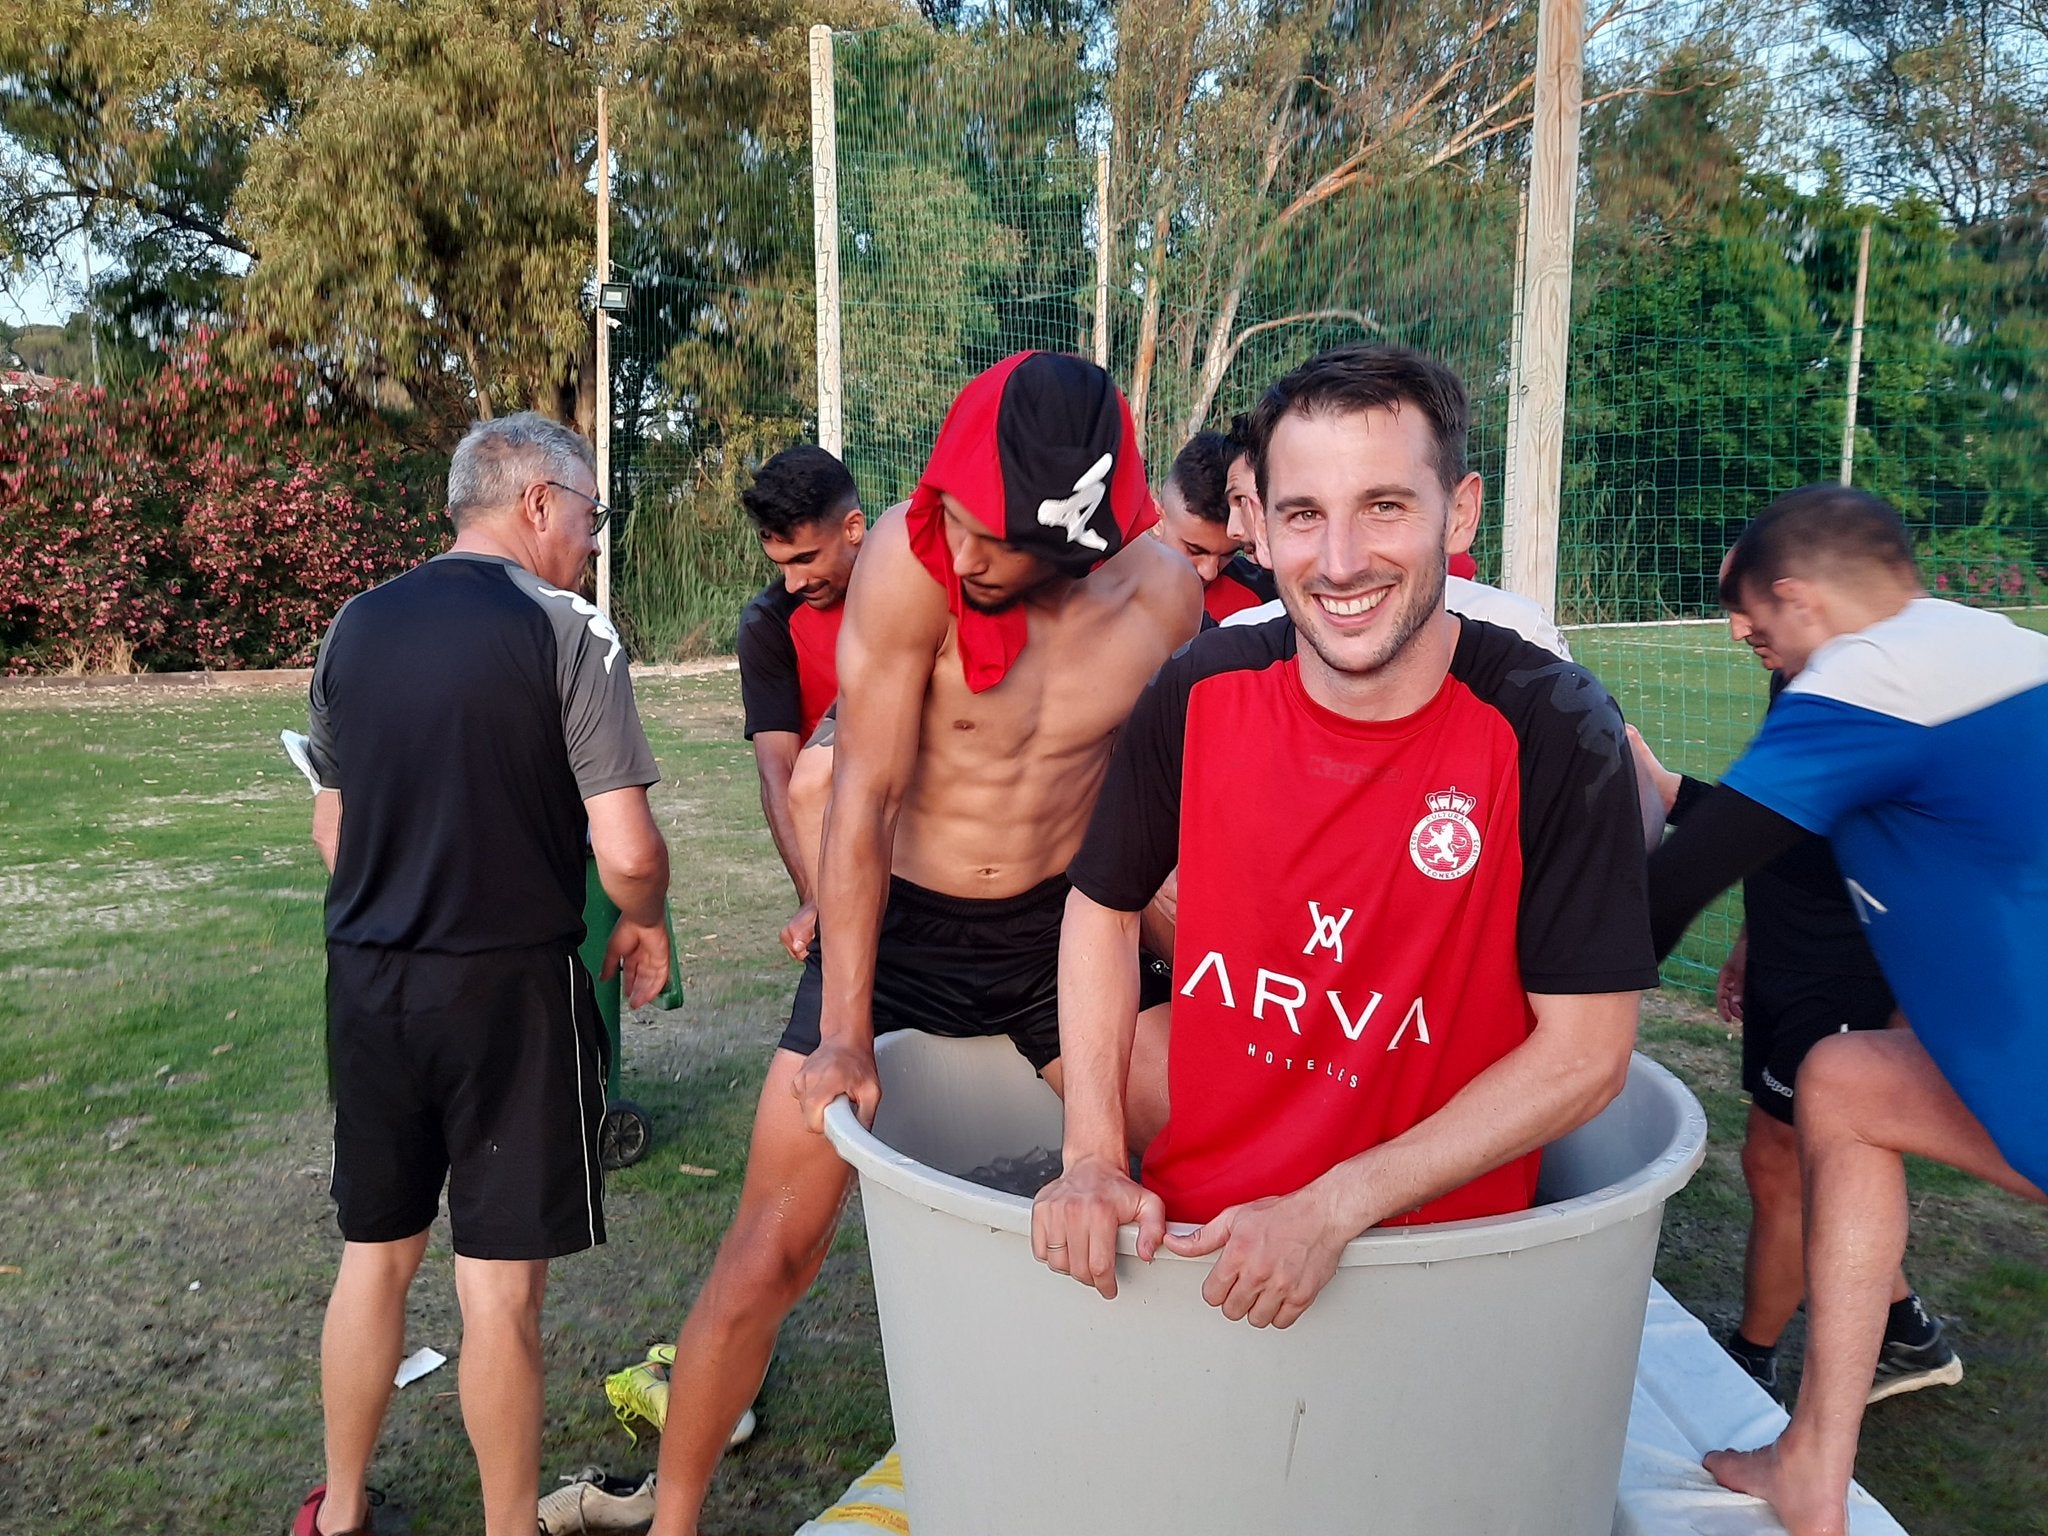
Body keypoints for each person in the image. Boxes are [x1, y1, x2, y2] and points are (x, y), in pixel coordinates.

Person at [646, 352, 1201, 1536]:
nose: (960, 547)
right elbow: (864, 798)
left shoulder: (1163, 601)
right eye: (948, 511)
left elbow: (1159, 820)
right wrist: (842, 1028)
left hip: (1063, 928)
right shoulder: (909, 558)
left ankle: (1147, 1473)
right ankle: (674, 1518)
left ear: (1079, 534)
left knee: (1192, 1185)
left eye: (991, 537)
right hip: (897, 927)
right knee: (769, 1255)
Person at [1032, 342, 1657, 1325]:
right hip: (1196, 1245)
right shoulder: (1198, 688)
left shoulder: (1553, 725)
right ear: (1258, 526)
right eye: (1302, 515)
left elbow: (1585, 1056)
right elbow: (1100, 910)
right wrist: (1092, 1159)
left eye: (1383, 507)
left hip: (1436, 1264)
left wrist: (1327, 1212)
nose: (1338, 561)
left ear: (1459, 512)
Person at [1645, 485, 2048, 1536]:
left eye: (1758, 623)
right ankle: (1809, 1468)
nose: (1747, 640)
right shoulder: (1985, 644)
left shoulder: (1866, 679)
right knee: (1845, 1083)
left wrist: (1554, 1029)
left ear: (1802, 603)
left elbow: (1677, 878)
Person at [295, 413, 671, 1536]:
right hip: (508, 989)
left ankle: (343, 1507)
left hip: (368, 983)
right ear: (539, 503)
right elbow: (631, 850)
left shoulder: (354, 625)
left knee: (376, 1256)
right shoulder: (569, 628)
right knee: (497, 1289)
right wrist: (642, 921)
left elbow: (332, 827)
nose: (594, 543)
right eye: (592, 516)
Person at [1630, 624, 1958, 1406]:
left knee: (1786, 1165)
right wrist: (1752, 934)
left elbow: (1847, 850)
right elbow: (1793, 824)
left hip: (1843, 972)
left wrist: (1672, 793)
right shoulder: (1798, 680)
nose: (1738, 625)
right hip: (1792, 955)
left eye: (1754, 601)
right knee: (1803, 1165)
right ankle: (1906, 1329)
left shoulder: (1875, 692)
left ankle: (1751, 1357)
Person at [734, 446, 864, 961]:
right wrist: (817, 896)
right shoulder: (769, 623)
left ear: (853, 528)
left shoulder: (917, 591)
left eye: (806, 559)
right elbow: (778, 771)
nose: (794, 582)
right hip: (841, 841)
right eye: (781, 565)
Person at [1155, 429, 1277, 622]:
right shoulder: (1106, 586)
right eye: (1195, 550)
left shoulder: (1264, 602)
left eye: (1228, 555)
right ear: (1157, 519)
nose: (1209, 572)